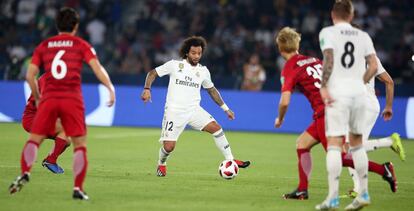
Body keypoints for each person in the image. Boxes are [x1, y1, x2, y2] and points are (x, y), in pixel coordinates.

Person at [273, 27, 398, 202]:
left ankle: (382, 169)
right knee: (302, 144)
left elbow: (285, 101)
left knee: (340, 157)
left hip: (327, 114)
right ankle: (302, 190)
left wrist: (280, 118)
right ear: (297, 44)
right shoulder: (314, 60)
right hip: (331, 109)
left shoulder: (289, 68)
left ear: (280, 48)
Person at [9, 7, 115, 200]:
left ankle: (26, 172)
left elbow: (29, 75)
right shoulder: (81, 45)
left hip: (41, 109)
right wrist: (110, 87)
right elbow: (97, 68)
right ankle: (77, 187)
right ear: (75, 26)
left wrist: (38, 97)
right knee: (77, 139)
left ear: (57, 25)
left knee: (36, 139)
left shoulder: (45, 47)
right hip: (57, 104)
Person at [141, 36, 250, 177]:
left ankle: (230, 159)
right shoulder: (174, 65)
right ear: (187, 52)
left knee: (216, 128)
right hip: (174, 112)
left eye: (199, 53)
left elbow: (211, 90)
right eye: (193, 53)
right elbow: (152, 73)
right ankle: (162, 163)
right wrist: (147, 89)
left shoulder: (203, 71)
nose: (197, 56)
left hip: (194, 110)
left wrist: (226, 108)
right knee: (169, 147)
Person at [317, 0, 377, 209]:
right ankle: (364, 193)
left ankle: (332, 197)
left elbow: (329, 58)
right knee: (357, 143)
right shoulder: (364, 36)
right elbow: (374, 65)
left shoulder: (327, 32)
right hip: (360, 95)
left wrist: (324, 86)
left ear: (333, 15)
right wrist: (359, 82)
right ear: (351, 16)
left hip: (338, 93)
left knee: (334, 142)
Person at [345, 55, 405, 198]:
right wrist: (389, 106)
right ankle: (358, 189)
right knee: (353, 150)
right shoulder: (371, 57)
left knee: (348, 149)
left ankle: (389, 142)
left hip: (359, 106)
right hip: (372, 106)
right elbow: (389, 82)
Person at [22, 75, 71, 174]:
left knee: (67, 141)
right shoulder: (48, 78)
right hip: (32, 119)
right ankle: (50, 161)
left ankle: (49, 160)